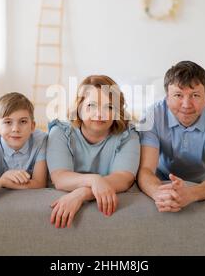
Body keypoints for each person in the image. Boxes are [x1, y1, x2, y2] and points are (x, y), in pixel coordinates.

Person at [137, 61, 205, 212]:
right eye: (178, 95)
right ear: (167, 97)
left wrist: (191, 194)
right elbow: (145, 170)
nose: (186, 104)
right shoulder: (152, 116)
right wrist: (158, 193)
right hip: (162, 181)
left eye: (195, 95)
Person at [47, 75, 140, 228]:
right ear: (79, 107)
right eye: (92, 106)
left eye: (109, 107)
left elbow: (125, 179)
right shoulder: (60, 132)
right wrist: (94, 180)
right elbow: (59, 177)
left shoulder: (128, 135)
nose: (99, 114)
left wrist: (82, 193)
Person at [0, 92, 47, 200]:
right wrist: (1, 180)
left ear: (32, 126)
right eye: (8, 122)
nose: (15, 129)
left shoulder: (41, 141)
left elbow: (39, 183)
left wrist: (3, 180)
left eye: (23, 121)